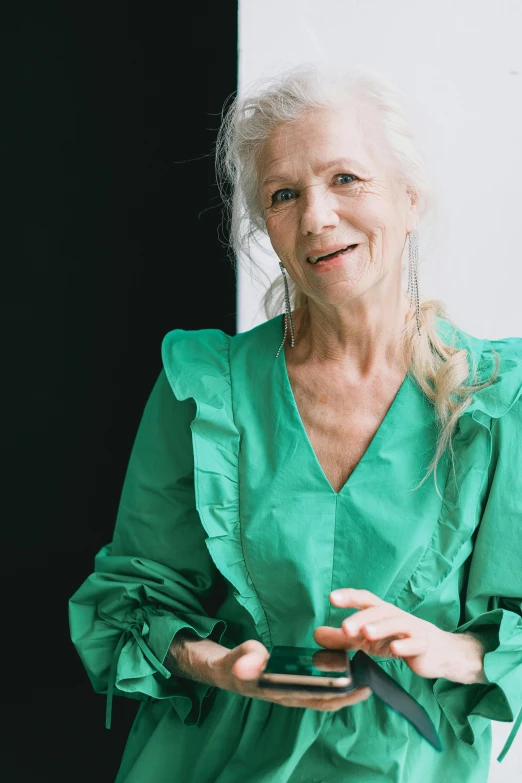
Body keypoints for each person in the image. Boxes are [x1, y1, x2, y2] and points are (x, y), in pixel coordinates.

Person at [69, 64, 522, 783]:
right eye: (284, 195)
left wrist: (447, 649)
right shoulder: (203, 388)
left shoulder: (499, 396)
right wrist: (225, 666)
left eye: (345, 178)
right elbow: (132, 601)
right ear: (269, 229)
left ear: (409, 198)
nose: (316, 216)